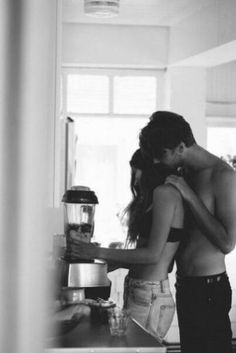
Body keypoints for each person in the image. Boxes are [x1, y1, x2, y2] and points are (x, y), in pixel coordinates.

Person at [139, 110, 236, 353]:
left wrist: (190, 195)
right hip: (185, 286)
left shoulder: (224, 176)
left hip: (210, 290)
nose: (155, 162)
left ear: (181, 147)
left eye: (161, 154)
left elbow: (227, 243)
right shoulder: (183, 173)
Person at [68, 149, 185, 342]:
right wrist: (106, 262)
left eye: (135, 173)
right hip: (141, 292)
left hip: (150, 296)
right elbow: (148, 257)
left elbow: (152, 256)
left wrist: (96, 251)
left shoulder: (165, 194)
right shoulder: (154, 198)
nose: (135, 181)